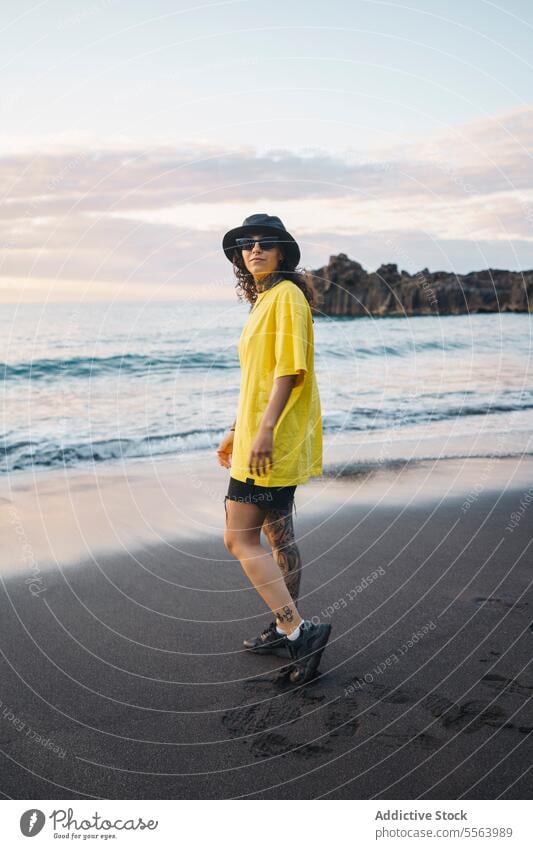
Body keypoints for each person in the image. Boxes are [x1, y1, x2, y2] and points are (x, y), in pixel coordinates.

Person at [216, 213, 331, 684]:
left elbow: (288, 371)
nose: (255, 249)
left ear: (283, 252)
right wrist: (237, 428)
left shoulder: (286, 297)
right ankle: (290, 627)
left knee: (244, 538)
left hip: (272, 440)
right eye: (247, 244)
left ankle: (295, 629)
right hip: (258, 437)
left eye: (266, 243)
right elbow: (257, 379)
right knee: (265, 537)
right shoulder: (264, 301)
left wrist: (262, 433)